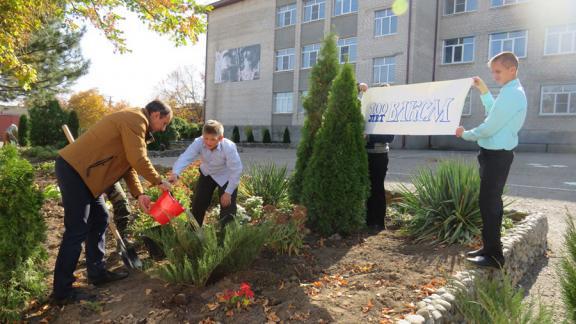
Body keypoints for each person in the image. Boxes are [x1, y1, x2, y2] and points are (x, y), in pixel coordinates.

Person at [52, 100, 173, 305]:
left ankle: (97, 273)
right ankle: (62, 292)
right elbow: (138, 158)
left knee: (100, 218)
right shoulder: (136, 120)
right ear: (155, 115)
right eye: (165, 123)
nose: (164, 128)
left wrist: (139, 194)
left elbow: (128, 165)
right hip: (76, 171)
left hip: (88, 178)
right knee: (76, 230)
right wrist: (159, 180)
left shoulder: (136, 124)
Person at [456, 52, 527, 269]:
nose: (494, 75)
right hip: (492, 155)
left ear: (511, 70)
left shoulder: (513, 94)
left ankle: (494, 256)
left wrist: (465, 134)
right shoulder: (508, 91)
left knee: (490, 204)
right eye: (493, 72)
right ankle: (489, 248)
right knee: (489, 203)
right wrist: (484, 90)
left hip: (497, 157)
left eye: (498, 71)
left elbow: (489, 127)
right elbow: (493, 113)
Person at [169, 120, 242, 229]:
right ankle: (193, 232)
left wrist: (228, 193)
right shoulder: (198, 142)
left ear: (220, 138)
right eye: (206, 138)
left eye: (213, 139)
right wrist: (175, 173)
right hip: (207, 174)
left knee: (228, 207)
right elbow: (186, 157)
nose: (208, 142)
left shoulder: (229, 147)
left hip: (226, 176)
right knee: (198, 203)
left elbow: (236, 170)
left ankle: (226, 238)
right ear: (202, 136)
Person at [358, 83, 395, 231]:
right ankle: (368, 220)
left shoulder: (390, 113)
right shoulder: (368, 109)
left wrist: (369, 137)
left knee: (377, 187)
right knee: (368, 187)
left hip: (380, 156)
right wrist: (359, 87)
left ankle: (379, 222)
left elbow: (389, 137)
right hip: (365, 155)